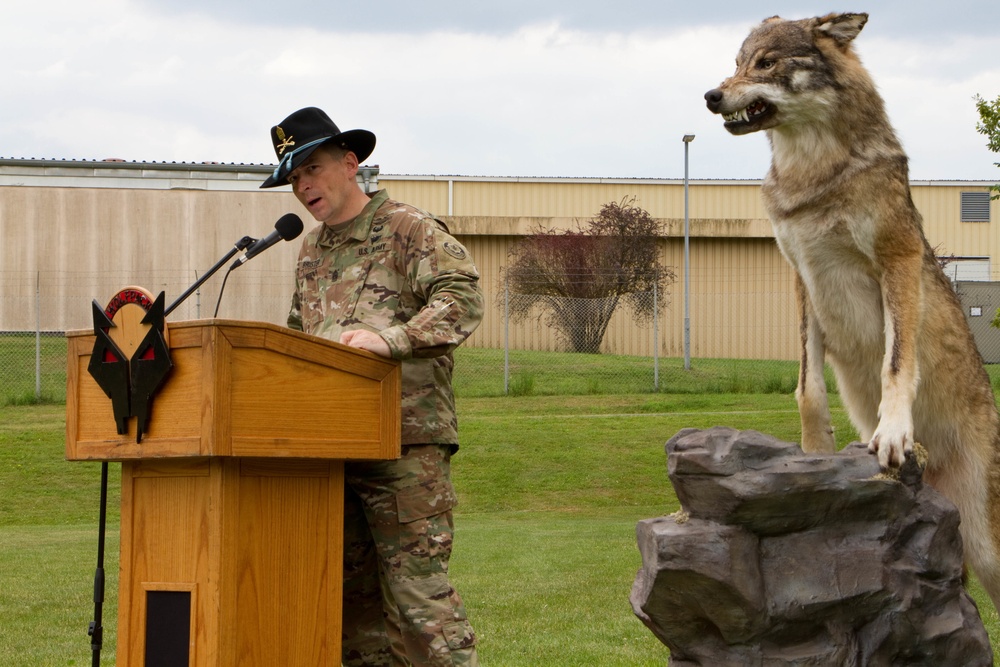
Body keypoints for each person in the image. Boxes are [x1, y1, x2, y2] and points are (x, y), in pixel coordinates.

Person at [261, 107, 483, 666]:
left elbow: (463, 298)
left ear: (351, 162)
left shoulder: (408, 228)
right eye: (293, 177)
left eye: (311, 168)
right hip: (334, 447)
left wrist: (395, 339)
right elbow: (299, 337)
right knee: (350, 606)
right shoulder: (310, 250)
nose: (303, 185)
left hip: (403, 441)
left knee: (417, 597)